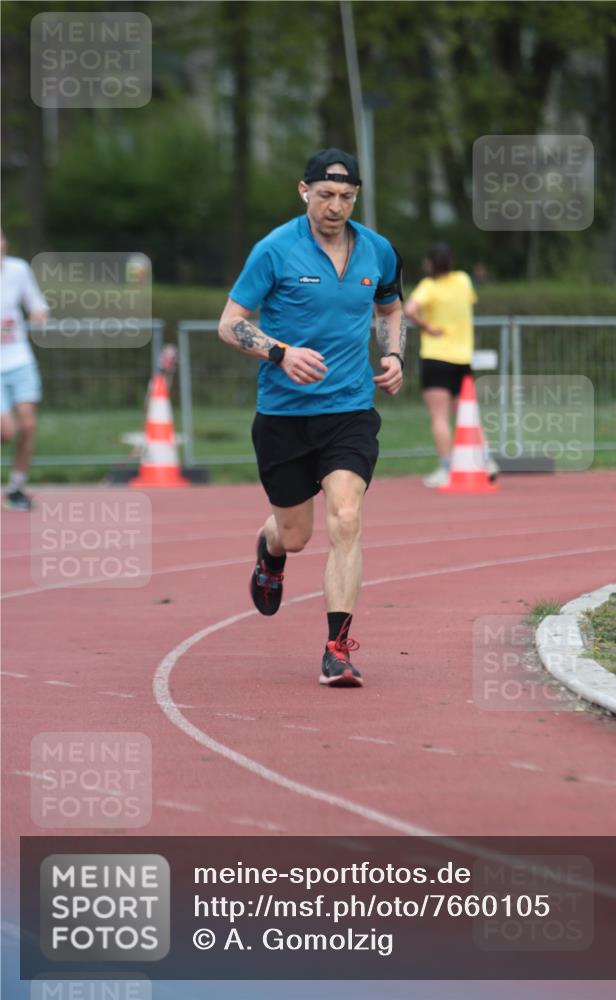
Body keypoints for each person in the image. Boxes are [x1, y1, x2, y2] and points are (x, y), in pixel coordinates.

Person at [218, 148, 405, 688]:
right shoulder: (274, 250)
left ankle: (337, 648)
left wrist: (393, 355)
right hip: (284, 416)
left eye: (346, 197)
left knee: (346, 517)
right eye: (325, 194)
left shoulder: (379, 251)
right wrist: (280, 352)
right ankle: (269, 549)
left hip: (349, 410)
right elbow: (230, 324)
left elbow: (390, 308)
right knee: (297, 535)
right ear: (304, 192)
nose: (335, 206)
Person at [404, 243, 494, 487]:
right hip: (463, 358)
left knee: (439, 417)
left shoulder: (429, 287)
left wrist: (427, 327)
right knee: (468, 415)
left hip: (436, 357)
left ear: (430, 263)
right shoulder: (463, 280)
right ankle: (485, 459)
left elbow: (409, 309)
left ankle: (447, 467)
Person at [1, 231, 49, 510]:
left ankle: (17, 487)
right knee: (6, 431)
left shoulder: (18, 269)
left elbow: (36, 302)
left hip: (19, 359)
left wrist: (39, 313)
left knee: (28, 424)